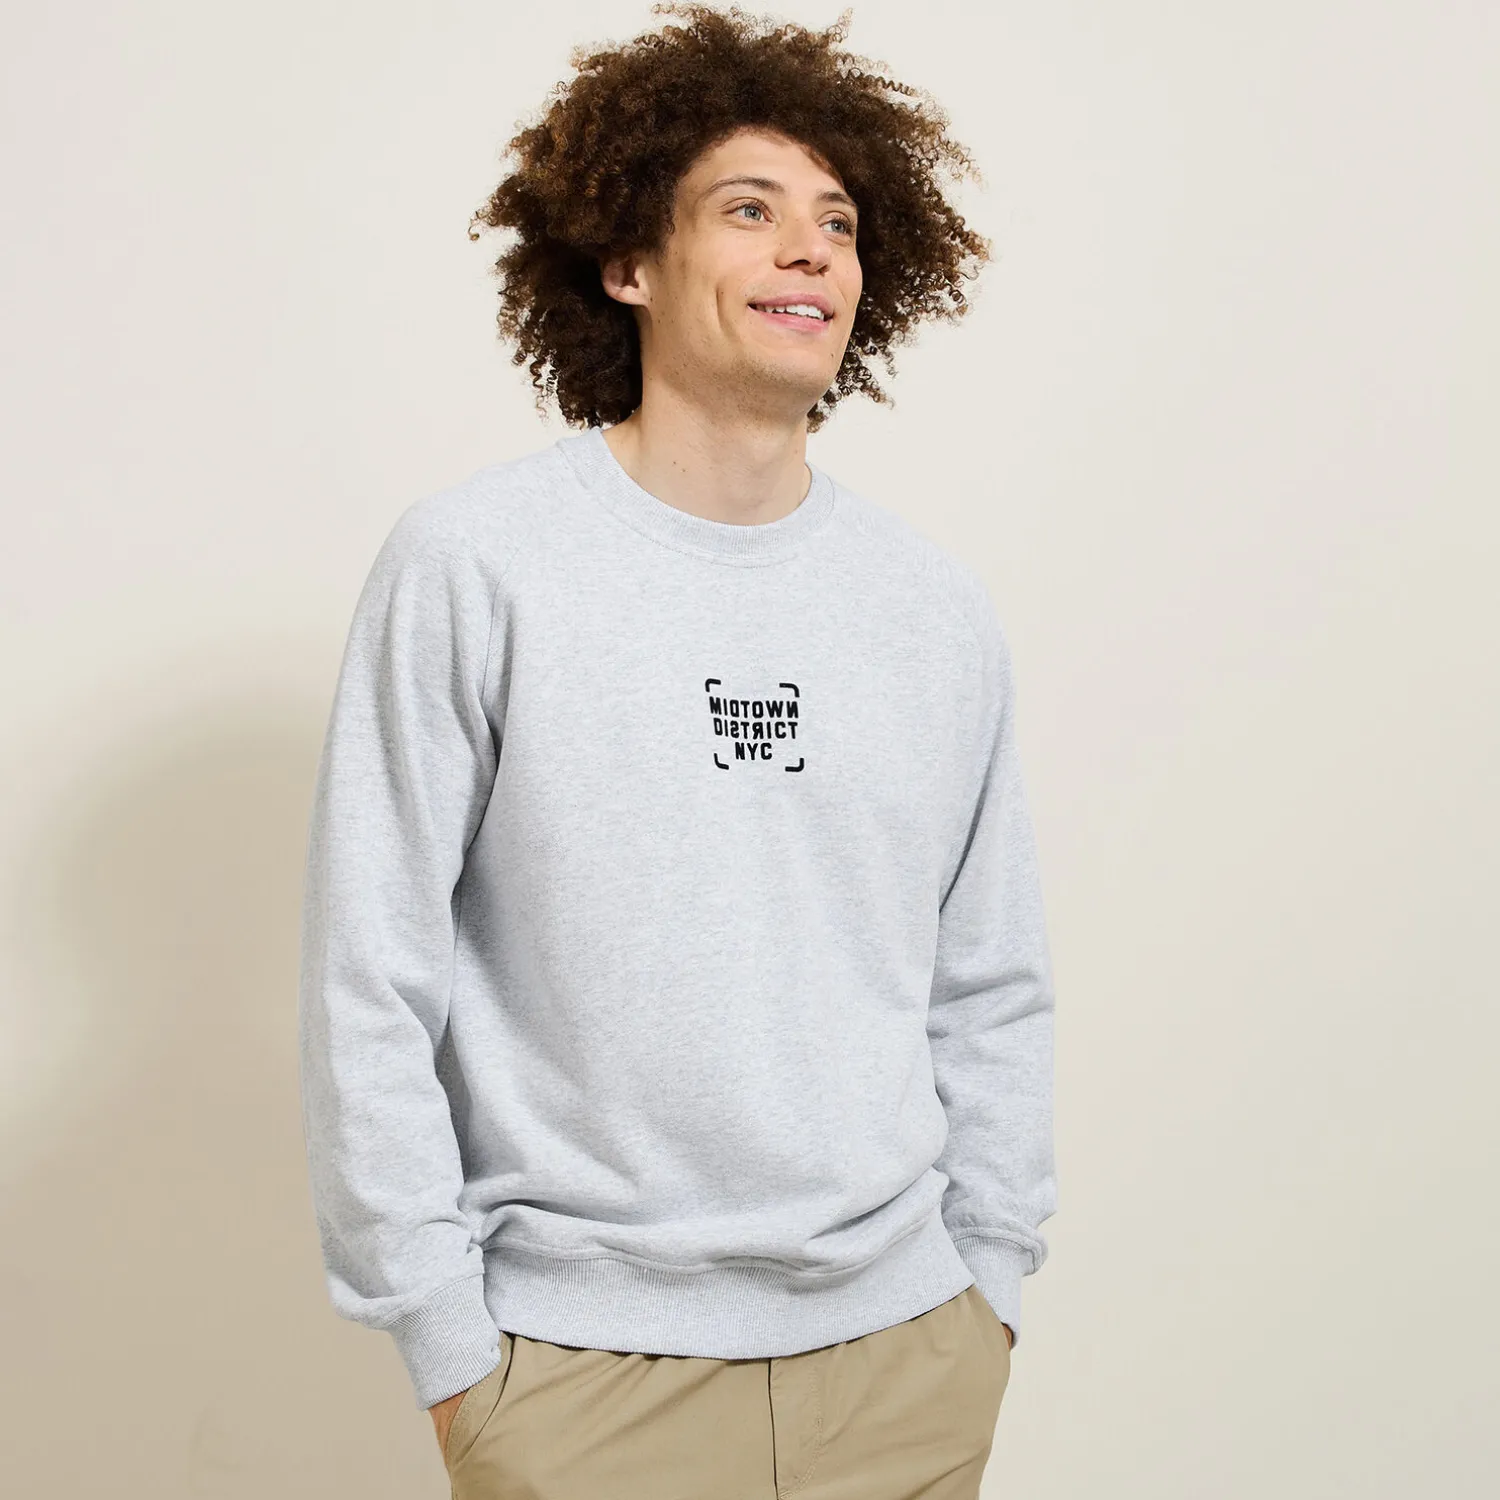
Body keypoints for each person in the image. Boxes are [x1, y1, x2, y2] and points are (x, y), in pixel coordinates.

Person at [296, 6, 1057, 1496]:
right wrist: (452, 1351)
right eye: (750, 210)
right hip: (577, 1374)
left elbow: (992, 979)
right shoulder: (478, 565)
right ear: (628, 263)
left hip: (907, 1358)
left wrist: (991, 1282)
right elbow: (368, 977)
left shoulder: (931, 607)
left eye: (837, 222)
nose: (809, 250)